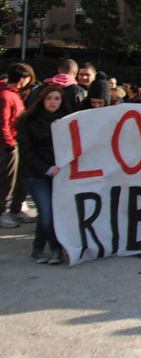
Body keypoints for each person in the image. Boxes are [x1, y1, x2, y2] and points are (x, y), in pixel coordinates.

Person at [16, 86, 70, 264]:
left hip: (59, 174)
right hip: (35, 175)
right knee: (47, 212)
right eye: (49, 98)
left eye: (57, 99)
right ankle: (56, 249)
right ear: (41, 100)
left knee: (46, 213)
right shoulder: (28, 121)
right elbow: (27, 152)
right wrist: (47, 169)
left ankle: (37, 249)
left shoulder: (67, 120)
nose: (53, 102)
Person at [0, 63, 35, 228]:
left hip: (15, 143)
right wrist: (9, 145)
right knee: (7, 181)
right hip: (8, 145)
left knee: (19, 179)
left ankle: (15, 209)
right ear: (23, 79)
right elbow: (3, 123)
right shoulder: (6, 95)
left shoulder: (13, 94)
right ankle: (2, 212)